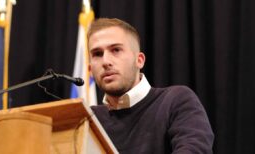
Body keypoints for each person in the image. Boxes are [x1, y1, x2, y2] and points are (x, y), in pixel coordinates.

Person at [88, 18, 214, 154]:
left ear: (139, 60)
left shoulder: (176, 100)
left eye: (116, 50)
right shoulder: (88, 119)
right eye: (97, 54)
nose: (106, 61)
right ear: (90, 68)